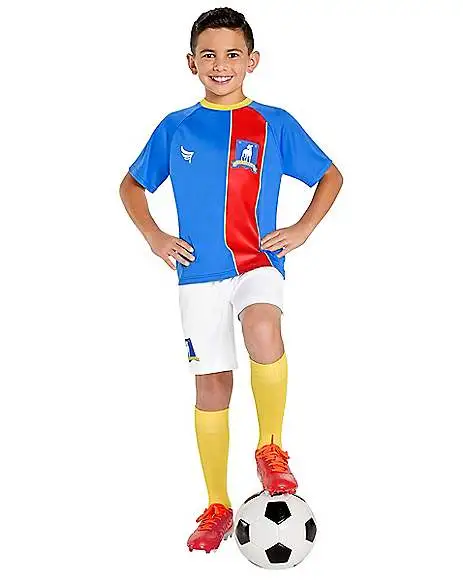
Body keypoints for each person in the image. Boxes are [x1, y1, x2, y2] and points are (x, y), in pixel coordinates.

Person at [119, 7, 343, 554]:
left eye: (233, 54)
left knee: (264, 327)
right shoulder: (176, 127)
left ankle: (271, 448)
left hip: (256, 260)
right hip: (198, 273)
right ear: (191, 62)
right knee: (212, 385)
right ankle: (218, 505)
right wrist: (154, 236)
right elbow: (131, 185)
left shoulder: (274, 123)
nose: (221, 64)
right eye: (210, 55)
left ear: (252, 61)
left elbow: (330, 175)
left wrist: (302, 228)